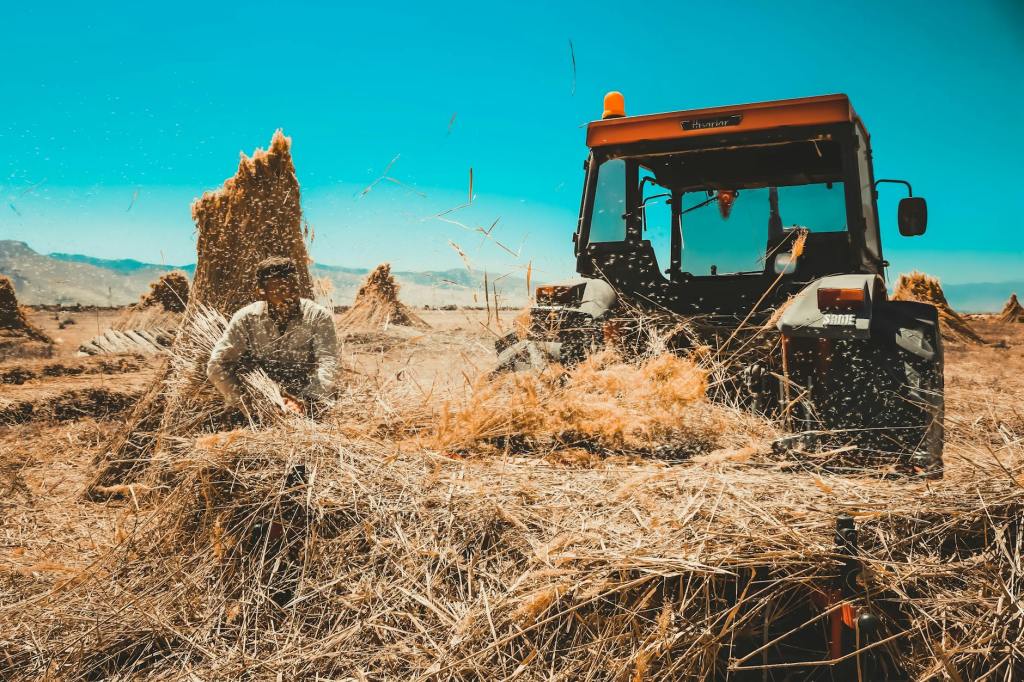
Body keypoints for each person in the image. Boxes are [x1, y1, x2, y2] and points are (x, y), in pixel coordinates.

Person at [207, 257, 338, 417]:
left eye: (294, 288)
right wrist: (248, 404)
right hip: (261, 396)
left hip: (308, 397)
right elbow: (217, 365)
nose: (290, 296)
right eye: (281, 290)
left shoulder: (318, 316)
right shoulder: (246, 319)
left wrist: (307, 400)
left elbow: (329, 363)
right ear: (262, 292)